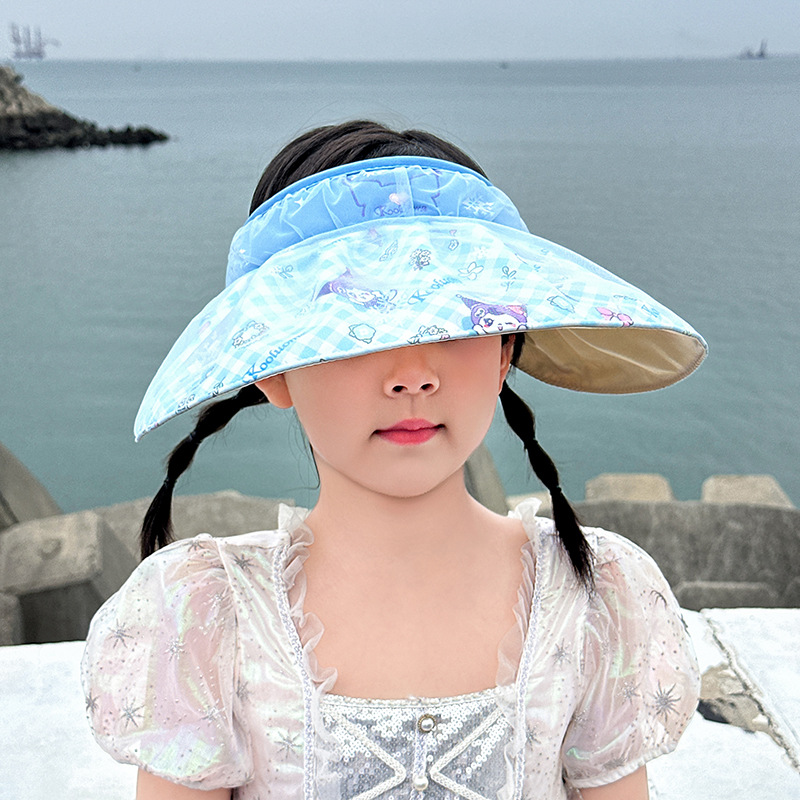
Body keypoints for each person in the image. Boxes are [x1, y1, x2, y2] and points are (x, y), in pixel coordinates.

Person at [82, 121, 707, 800]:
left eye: (455, 322)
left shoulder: (597, 593)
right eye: (358, 327)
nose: (413, 375)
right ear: (273, 369)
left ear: (505, 351)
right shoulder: (203, 615)